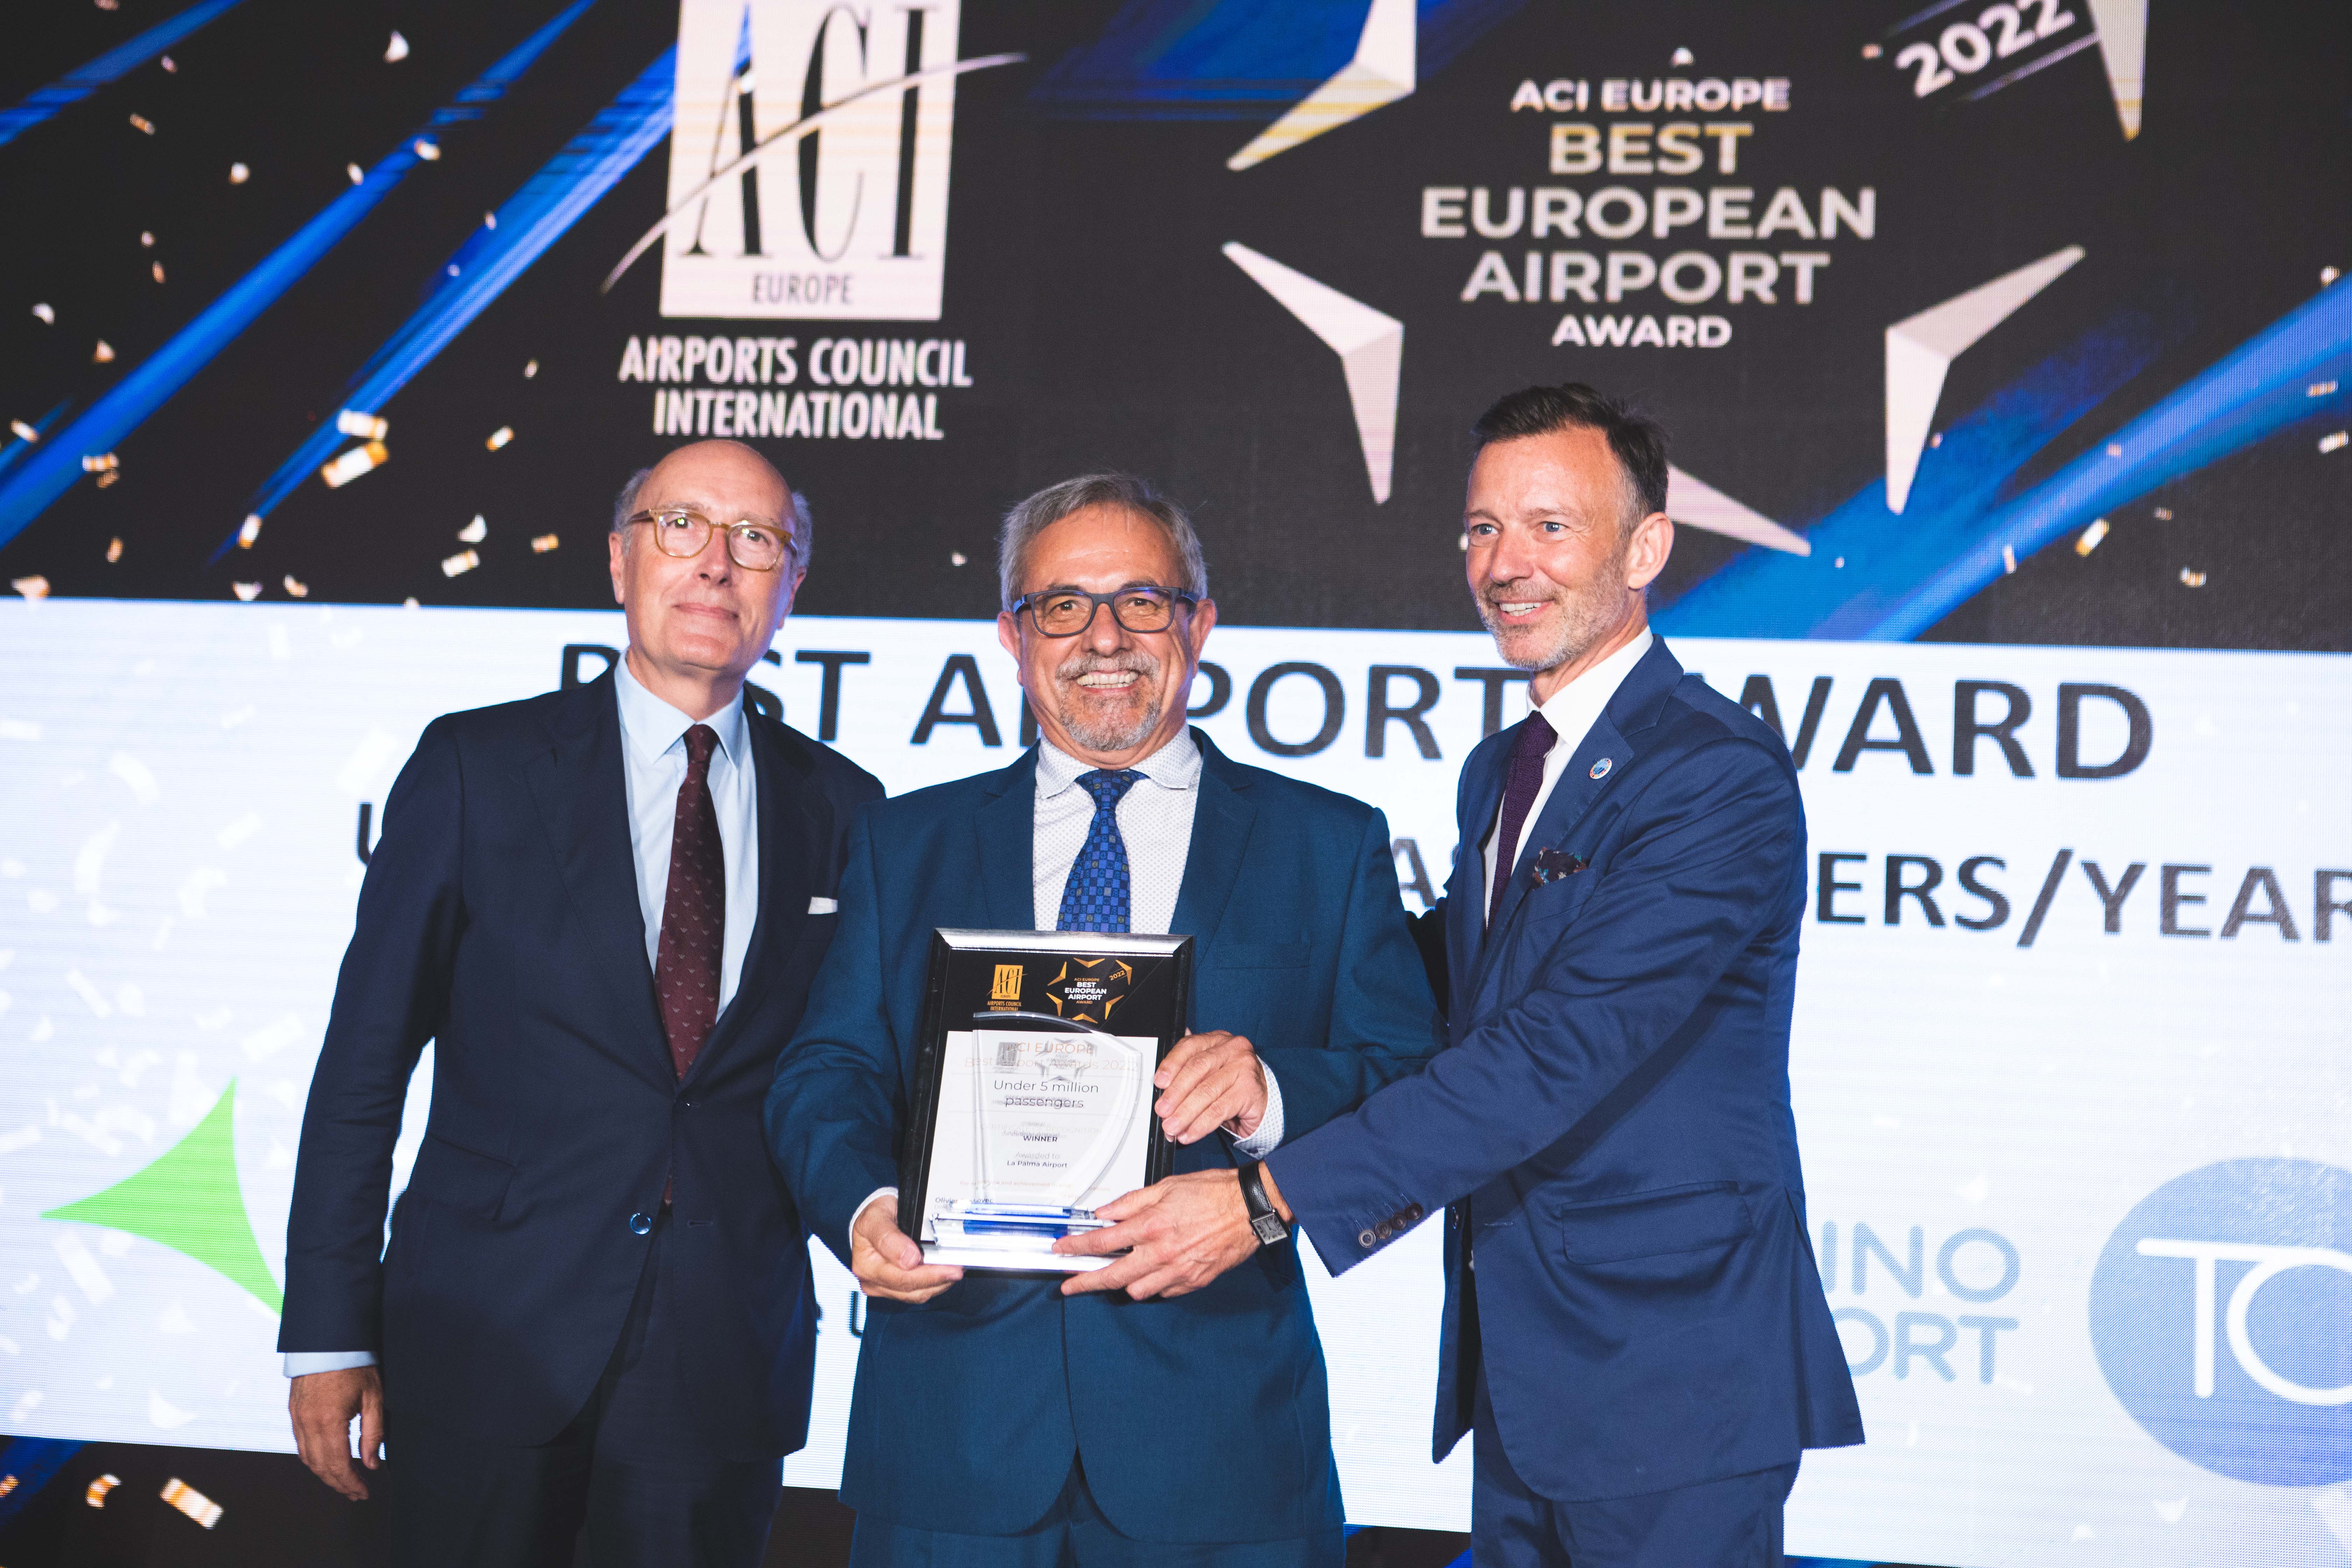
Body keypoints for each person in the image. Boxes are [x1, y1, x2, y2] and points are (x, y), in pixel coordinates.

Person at [1069, 387, 1863, 1566]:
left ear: (1645, 548)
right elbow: (1444, 978)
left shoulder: (1714, 775)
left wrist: (1264, 1198)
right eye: (1483, 528)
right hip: (1529, 1374)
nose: (1506, 563)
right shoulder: (1505, 767)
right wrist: (1253, 1049)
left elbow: (1552, 1050)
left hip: (1672, 1380)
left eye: (1551, 526)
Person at [765, 472, 1440, 1566]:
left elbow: (1411, 1083)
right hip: (953, 1442)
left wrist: (1273, 1095)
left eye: (1143, 602)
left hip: (1221, 1453)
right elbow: (826, 1069)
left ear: (1199, 624)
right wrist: (862, 1207)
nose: (1104, 637)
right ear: (1013, 634)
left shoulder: (1329, 842)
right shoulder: (907, 843)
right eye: (1063, 606)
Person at [279, 439, 882, 1567]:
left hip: (719, 1369)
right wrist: (324, 1331)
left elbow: (847, 1074)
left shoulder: (847, 810)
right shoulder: (477, 768)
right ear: (620, 562)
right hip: (483, 1341)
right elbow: (362, 1065)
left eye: (756, 541)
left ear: (792, 588)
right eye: (681, 527)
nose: (715, 564)